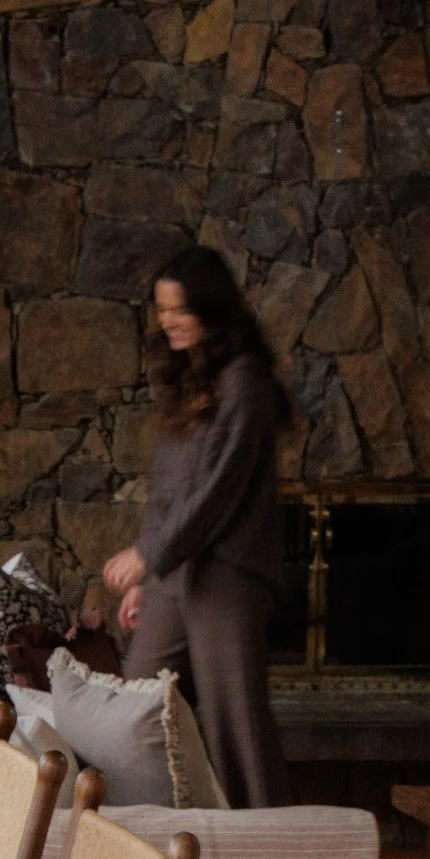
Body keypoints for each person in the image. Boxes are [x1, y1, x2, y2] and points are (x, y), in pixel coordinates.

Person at [102, 246, 294, 808]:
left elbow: (218, 492)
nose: (167, 321)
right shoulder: (192, 381)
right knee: (134, 710)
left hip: (228, 576)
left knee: (237, 731)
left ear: (210, 309)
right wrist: (147, 572)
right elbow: (170, 490)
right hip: (174, 573)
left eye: (178, 310)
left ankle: (269, 856)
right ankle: (151, 840)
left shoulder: (246, 383)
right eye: (161, 309)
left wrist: (147, 555)